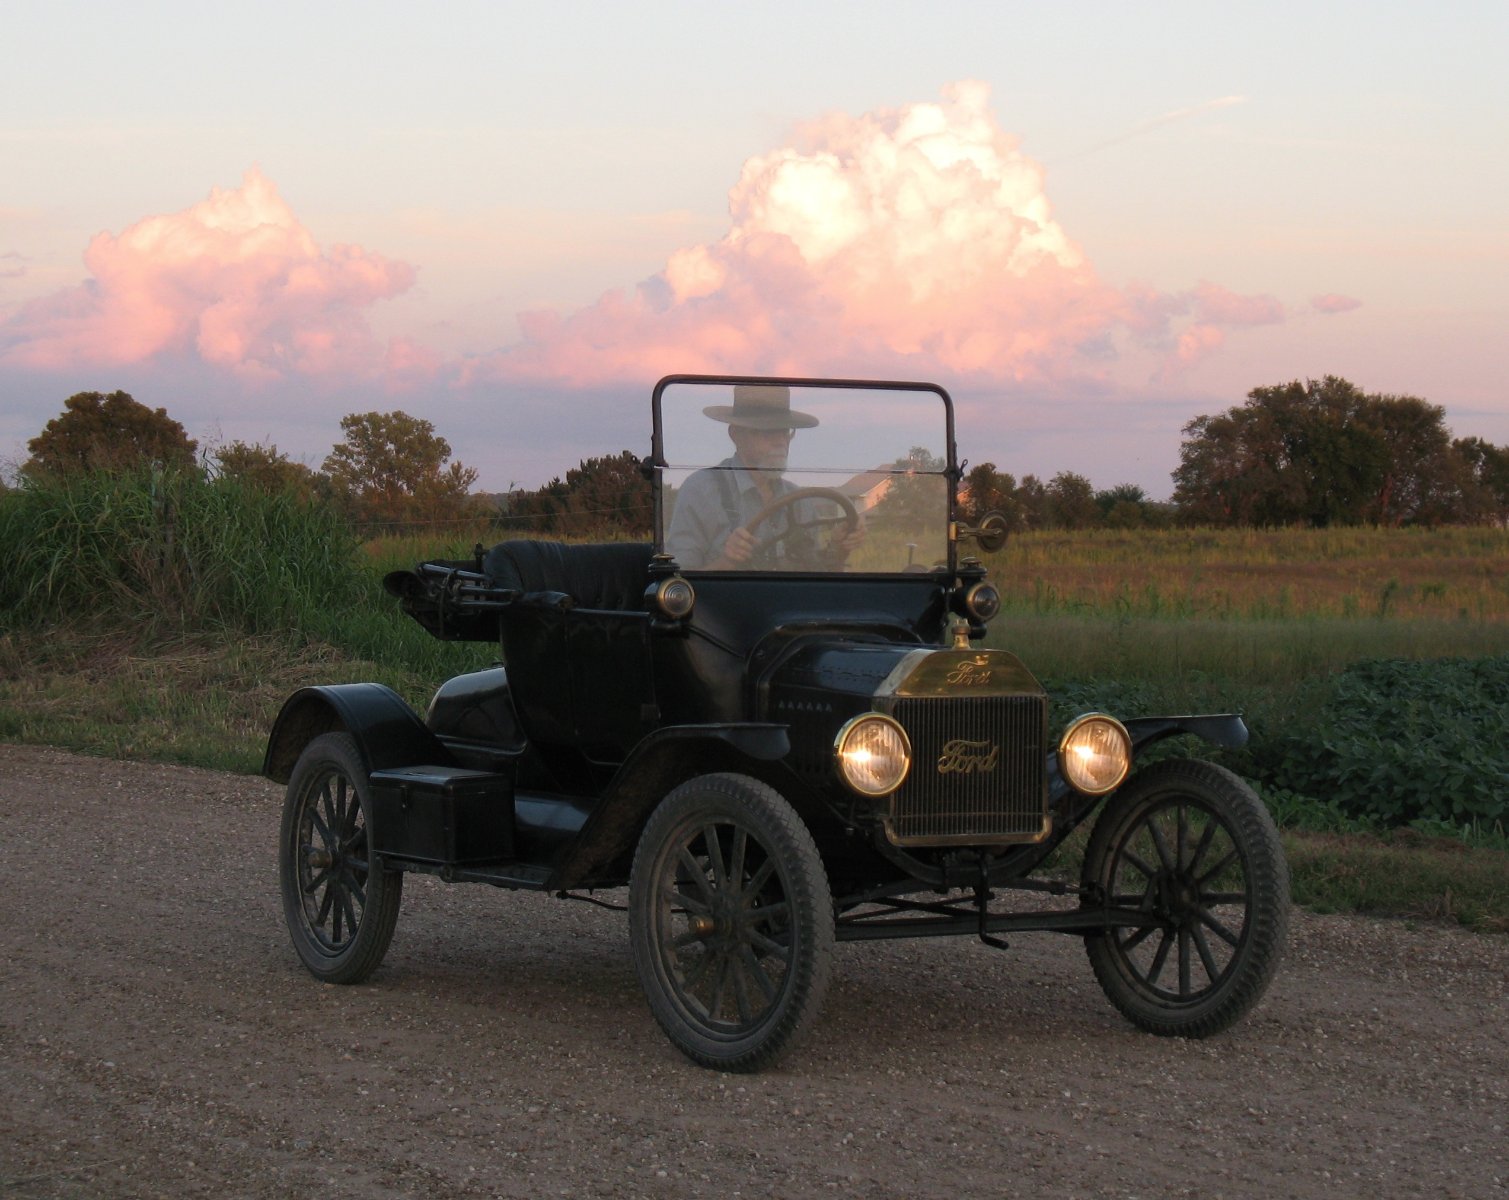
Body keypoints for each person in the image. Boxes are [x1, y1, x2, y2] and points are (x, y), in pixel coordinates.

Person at [665, 384, 864, 569]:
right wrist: (727, 561)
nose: (780, 441)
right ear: (736, 434)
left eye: (785, 431)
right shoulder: (700, 491)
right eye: (767, 431)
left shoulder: (800, 501)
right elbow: (678, 583)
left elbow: (814, 578)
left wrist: (839, 547)